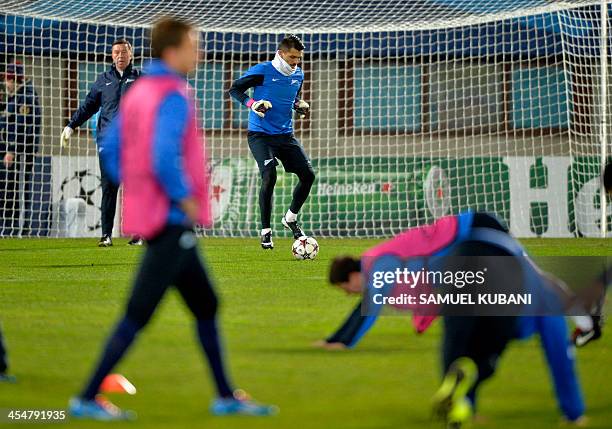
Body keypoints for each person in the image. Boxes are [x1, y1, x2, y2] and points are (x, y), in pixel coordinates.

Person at [68, 18, 276, 420]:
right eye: (194, 45)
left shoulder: (142, 90)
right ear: (173, 49)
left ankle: (225, 396)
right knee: (138, 313)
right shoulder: (173, 93)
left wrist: (141, 187)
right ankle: (87, 397)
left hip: (160, 216)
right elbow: (164, 154)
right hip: (170, 219)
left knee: (206, 305)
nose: (199, 53)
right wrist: (182, 197)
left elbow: (110, 148)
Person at [321, 212, 586, 427]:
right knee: (493, 346)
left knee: (463, 347)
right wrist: (574, 413)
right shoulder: (382, 261)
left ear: (352, 276)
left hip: (463, 260)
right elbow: (558, 351)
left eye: (346, 288)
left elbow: (374, 305)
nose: (349, 293)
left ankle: (465, 404)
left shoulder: (379, 264)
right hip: (491, 258)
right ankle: (473, 391)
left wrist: (343, 342)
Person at [229, 34, 314, 249]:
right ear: (280, 53)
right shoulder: (263, 70)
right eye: (292, 57)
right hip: (260, 135)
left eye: (299, 58)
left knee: (308, 176)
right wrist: (252, 103)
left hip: (285, 135)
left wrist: (298, 105)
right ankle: (266, 231)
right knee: (270, 176)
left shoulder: (299, 75)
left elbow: (291, 98)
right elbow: (235, 89)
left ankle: (290, 218)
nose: (296, 62)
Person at [60, 38, 142, 247]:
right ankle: (106, 235)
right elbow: (88, 106)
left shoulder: (142, 79)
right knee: (109, 188)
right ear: (111, 55)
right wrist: (71, 126)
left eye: (124, 52)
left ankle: (137, 235)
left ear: (131, 54)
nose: (120, 56)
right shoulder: (102, 80)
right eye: (116, 52)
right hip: (109, 143)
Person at [0, 61, 41, 236]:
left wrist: (12, 150)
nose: (5, 83)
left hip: (23, 152)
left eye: (8, 79)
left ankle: (22, 229)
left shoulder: (26, 96)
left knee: (22, 188)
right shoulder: (14, 97)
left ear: (14, 79)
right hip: (14, 151)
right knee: (12, 188)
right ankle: (13, 227)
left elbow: (23, 126)